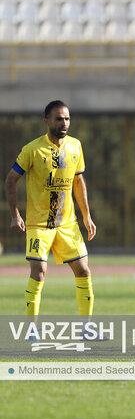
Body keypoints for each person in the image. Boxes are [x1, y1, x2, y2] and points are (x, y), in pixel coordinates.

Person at [4, 100, 96, 317]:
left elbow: (78, 183)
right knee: (39, 273)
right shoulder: (32, 149)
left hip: (68, 223)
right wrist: (15, 214)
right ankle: (31, 328)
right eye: (59, 119)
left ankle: (87, 327)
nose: (64, 123)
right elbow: (10, 180)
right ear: (46, 121)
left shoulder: (75, 146)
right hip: (39, 225)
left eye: (67, 119)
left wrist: (87, 216)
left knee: (83, 270)